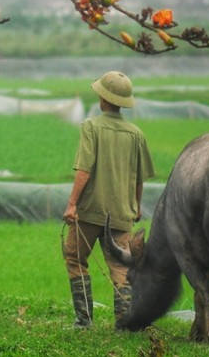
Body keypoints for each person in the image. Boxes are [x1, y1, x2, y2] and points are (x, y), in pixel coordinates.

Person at [62, 71, 155, 329]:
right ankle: (124, 322)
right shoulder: (136, 133)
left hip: (90, 210)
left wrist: (72, 204)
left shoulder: (91, 127)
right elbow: (139, 177)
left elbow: (84, 169)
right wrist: (135, 205)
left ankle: (84, 320)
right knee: (122, 267)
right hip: (122, 212)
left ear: (103, 98)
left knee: (75, 258)